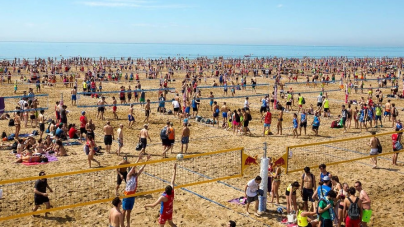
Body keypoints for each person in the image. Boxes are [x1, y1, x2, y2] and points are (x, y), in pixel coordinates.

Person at [122, 154, 151, 227]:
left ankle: (128, 224)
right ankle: (122, 224)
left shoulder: (136, 176)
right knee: (123, 211)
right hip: (126, 196)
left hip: (132, 196)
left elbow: (141, 168)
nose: (134, 170)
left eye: (134, 170)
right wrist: (138, 159)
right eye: (133, 170)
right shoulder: (128, 176)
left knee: (128, 212)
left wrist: (146, 160)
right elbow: (134, 167)